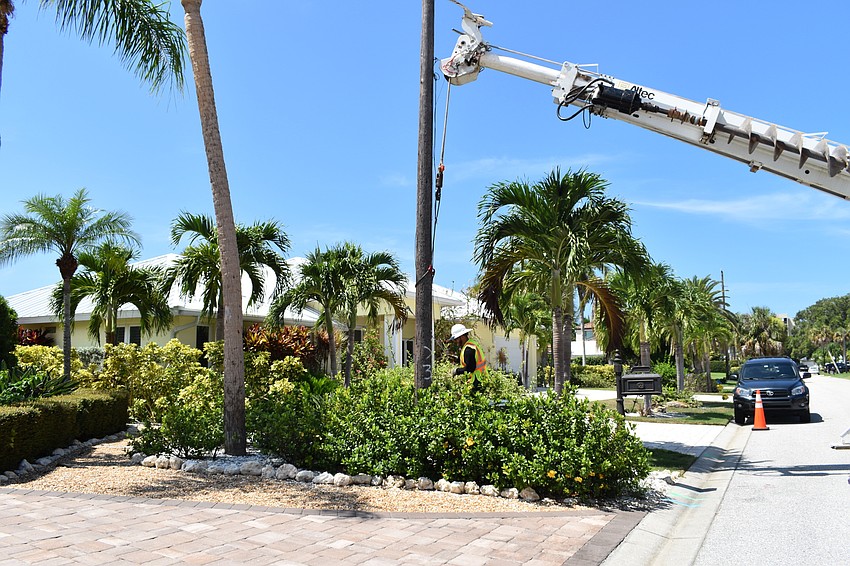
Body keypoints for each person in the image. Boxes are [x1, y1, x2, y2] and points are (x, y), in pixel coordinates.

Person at [450, 323, 487, 393]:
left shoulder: (468, 349)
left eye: (456, 339)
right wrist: (457, 359)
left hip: (476, 381)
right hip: (481, 379)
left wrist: (456, 371)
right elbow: (471, 361)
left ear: (462, 336)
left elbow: (470, 368)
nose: (456, 342)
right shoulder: (472, 344)